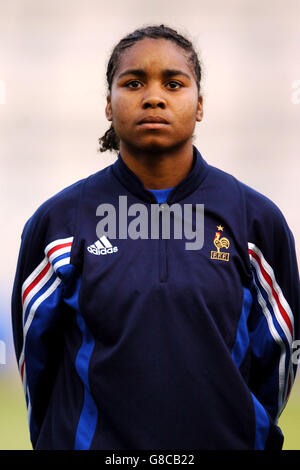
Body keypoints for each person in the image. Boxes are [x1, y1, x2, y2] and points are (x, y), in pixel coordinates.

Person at [11, 24, 300, 450]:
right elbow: (35, 360)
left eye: (173, 83)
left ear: (199, 105)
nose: (153, 96)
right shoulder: (60, 222)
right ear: (108, 105)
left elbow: (278, 360)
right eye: (132, 83)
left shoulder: (254, 221)